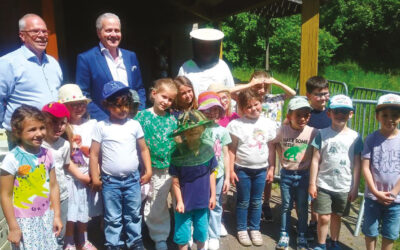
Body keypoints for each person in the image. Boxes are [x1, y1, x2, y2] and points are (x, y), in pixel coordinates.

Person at [90, 81, 152, 249]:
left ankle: (135, 242)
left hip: (133, 180)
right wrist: (95, 178)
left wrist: (148, 170)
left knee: (133, 214)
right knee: (113, 217)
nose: (123, 109)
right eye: (118, 106)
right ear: (107, 106)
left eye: (126, 105)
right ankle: (113, 244)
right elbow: (94, 154)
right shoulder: (101, 127)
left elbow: (144, 149)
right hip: (110, 182)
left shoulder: (134, 125)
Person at [231, 70, 296, 222]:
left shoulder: (274, 99)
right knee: (251, 172)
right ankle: (250, 204)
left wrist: (274, 82)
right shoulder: (246, 99)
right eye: (258, 86)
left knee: (268, 174)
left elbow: (292, 93)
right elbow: (229, 92)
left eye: (264, 86)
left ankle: (265, 202)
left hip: (271, 139)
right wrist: (250, 84)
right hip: (251, 140)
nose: (261, 89)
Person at [0, 105, 62, 249]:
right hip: (24, 222)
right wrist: (13, 227)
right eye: (32, 129)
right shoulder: (12, 159)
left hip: (46, 218)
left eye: (42, 127)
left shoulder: (48, 154)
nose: (39, 133)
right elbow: (5, 195)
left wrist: (57, 215)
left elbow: (53, 186)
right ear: (17, 132)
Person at [308, 95, 362, 250]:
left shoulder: (355, 137)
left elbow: (358, 164)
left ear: (351, 114)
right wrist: (312, 183)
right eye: (337, 111)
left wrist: (355, 187)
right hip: (324, 184)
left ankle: (334, 241)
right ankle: (321, 243)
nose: (340, 114)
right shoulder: (322, 134)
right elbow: (315, 160)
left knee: (336, 217)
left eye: (345, 111)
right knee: (323, 217)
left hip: (343, 186)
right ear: (329, 113)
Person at [0, 14, 62, 146]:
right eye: (35, 31)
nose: (42, 35)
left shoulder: (53, 63)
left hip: (51, 136)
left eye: (45, 31)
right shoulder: (8, 63)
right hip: (21, 139)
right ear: (22, 35)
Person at [227, 90, 276, 247]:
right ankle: (242, 228)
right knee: (243, 201)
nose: (254, 108)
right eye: (249, 106)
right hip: (242, 170)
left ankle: (254, 228)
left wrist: (271, 168)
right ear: (241, 108)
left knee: (257, 201)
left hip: (261, 169)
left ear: (261, 102)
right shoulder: (236, 125)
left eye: (256, 104)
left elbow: (271, 148)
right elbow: (232, 149)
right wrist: (231, 170)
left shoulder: (268, 123)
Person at [76, 12, 146, 121]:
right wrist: (105, 119)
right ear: (99, 33)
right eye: (108, 30)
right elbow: (83, 94)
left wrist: (139, 112)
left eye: (117, 30)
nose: (113, 34)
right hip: (105, 122)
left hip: (131, 120)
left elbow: (139, 88)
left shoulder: (130, 56)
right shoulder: (86, 58)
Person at [269, 96, 317, 250]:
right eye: (298, 115)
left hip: (304, 175)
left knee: (303, 207)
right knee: (285, 206)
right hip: (287, 174)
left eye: (306, 115)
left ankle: (302, 234)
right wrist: (273, 164)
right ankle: (284, 233)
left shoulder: (313, 132)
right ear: (289, 116)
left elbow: (320, 151)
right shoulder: (282, 130)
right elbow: (271, 142)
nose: (303, 118)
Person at [134, 78, 178, 250]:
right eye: (164, 97)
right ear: (154, 94)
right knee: (149, 201)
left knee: (167, 201)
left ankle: (170, 234)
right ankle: (150, 234)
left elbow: (177, 140)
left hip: (169, 168)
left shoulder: (172, 119)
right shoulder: (142, 117)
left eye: (170, 100)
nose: (166, 102)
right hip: (149, 168)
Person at [59, 84, 102, 250]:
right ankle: (69, 240)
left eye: (81, 103)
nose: (79, 108)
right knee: (70, 210)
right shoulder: (62, 127)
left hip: (87, 172)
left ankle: (83, 239)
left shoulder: (92, 124)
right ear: (64, 108)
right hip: (70, 175)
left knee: (84, 208)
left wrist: (95, 173)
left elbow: (96, 150)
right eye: (73, 105)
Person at [169, 110, 217, 250]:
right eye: (189, 130)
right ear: (183, 133)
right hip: (184, 203)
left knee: (202, 233)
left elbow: (212, 174)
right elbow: (175, 180)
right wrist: (179, 201)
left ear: (202, 128)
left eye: (196, 128)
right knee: (182, 234)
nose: (193, 131)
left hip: (203, 201)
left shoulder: (208, 149)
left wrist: (213, 196)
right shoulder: (177, 153)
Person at [361, 94, 400, 250]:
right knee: (370, 231)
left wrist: (394, 192)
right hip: (373, 197)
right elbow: (365, 167)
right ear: (377, 116)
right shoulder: (371, 139)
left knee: (389, 234)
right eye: (384, 115)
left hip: (396, 200)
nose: (389, 119)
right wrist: (375, 192)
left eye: (395, 115)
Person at [197, 91, 231, 250]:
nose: (212, 112)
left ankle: (214, 235)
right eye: (208, 109)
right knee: (202, 204)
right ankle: (201, 234)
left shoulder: (223, 130)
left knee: (216, 204)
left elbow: (226, 154)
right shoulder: (197, 129)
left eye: (215, 109)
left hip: (219, 173)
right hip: (200, 174)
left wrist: (228, 178)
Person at [41, 102, 72, 249]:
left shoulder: (65, 145)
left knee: (59, 233)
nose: (58, 126)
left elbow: (65, 167)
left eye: (62, 123)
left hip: (61, 196)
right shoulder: (37, 145)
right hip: (41, 198)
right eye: (53, 122)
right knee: (43, 234)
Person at [305, 76, 332, 238]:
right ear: (309, 95)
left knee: (321, 194)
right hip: (307, 159)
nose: (323, 98)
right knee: (309, 193)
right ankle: (312, 221)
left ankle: (322, 226)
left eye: (326, 94)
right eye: (319, 94)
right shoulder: (305, 113)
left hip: (327, 160)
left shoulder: (332, 113)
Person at [177, 28, 235, 97]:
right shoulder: (187, 66)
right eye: (202, 46)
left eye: (210, 46)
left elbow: (231, 92)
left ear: (216, 47)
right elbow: (179, 93)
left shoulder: (222, 66)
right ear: (196, 46)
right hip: (194, 108)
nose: (206, 50)